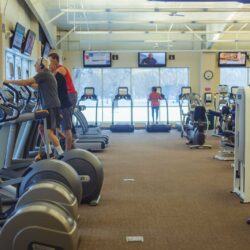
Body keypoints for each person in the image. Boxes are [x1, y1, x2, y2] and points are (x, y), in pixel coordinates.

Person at [4, 57, 64, 159]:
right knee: (41, 129)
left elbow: (26, 82)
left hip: (51, 106)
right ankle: (49, 153)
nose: (34, 65)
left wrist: (9, 81)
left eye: (35, 64)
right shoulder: (46, 75)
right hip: (49, 105)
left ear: (41, 66)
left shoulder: (43, 74)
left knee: (49, 132)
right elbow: (36, 86)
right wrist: (26, 84)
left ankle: (62, 155)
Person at [49, 61, 73, 151]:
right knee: (56, 128)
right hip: (58, 106)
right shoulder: (53, 76)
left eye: (50, 64)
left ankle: (68, 152)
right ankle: (64, 143)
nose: (48, 66)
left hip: (64, 106)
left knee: (67, 129)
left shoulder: (58, 76)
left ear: (55, 65)